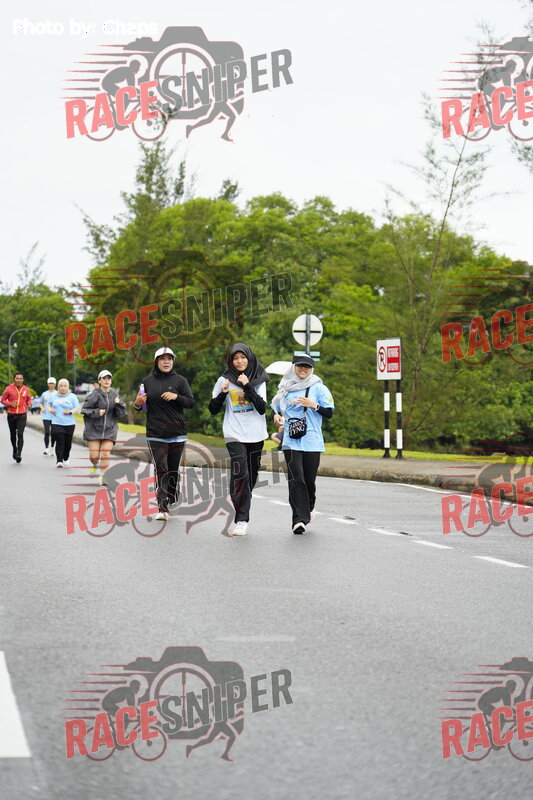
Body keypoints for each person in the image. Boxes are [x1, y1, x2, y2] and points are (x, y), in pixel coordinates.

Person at [208, 343, 269, 536]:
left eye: (243, 357)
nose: (239, 361)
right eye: (235, 358)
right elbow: (213, 409)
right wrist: (223, 393)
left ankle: (243, 497)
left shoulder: (259, 378)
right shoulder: (224, 379)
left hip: (256, 433)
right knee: (240, 472)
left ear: (249, 358)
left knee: (251, 474)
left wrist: (247, 385)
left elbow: (262, 408)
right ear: (230, 361)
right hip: (233, 433)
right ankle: (242, 519)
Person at [271, 356, 335, 534]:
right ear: (294, 367)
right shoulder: (286, 387)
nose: (303, 369)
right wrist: (275, 416)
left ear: (311, 369)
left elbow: (329, 413)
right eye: (300, 366)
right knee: (295, 479)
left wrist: (313, 405)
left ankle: (310, 506)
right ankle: (299, 520)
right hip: (290, 441)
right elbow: (275, 408)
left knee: (309, 481)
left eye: (307, 367)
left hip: (312, 441)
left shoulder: (319, 388)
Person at [133, 347, 195, 522]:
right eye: (162, 359)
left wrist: (177, 397)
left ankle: (172, 495)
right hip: (155, 433)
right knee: (161, 468)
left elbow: (190, 403)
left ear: (173, 361)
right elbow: (140, 405)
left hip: (177, 433)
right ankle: (162, 507)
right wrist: (137, 403)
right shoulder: (147, 381)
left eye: (169, 358)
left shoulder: (180, 381)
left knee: (173, 471)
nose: (166, 362)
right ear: (156, 361)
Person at [81, 369, 127, 485]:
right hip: (94, 429)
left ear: (111, 381)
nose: (107, 380)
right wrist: (97, 412)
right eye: (104, 378)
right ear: (99, 381)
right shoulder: (94, 394)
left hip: (110, 429)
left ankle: (103, 477)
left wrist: (118, 404)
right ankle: (95, 464)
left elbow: (122, 414)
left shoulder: (115, 395)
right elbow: (84, 410)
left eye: (109, 378)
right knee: (94, 456)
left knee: (106, 453)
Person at [1, 372, 32, 463]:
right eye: (17, 378)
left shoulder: (26, 389)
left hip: (22, 414)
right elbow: (3, 400)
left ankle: (19, 454)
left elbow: (28, 399)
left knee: (20, 434)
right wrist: (10, 404)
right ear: (14, 379)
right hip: (11, 414)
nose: (19, 380)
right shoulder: (8, 388)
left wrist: (29, 404)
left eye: (20, 378)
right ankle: (14, 449)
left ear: (23, 380)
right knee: (13, 434)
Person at [48, 379, 80, 467]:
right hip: (56, 423)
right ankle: (59, 460)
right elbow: (48, 404)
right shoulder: (53, 396)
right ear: (58, 387)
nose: (63, 388)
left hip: (69, 424)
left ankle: (66, 457)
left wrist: (70, 412)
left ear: (68, 387)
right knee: (60, 441)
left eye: (65, 386)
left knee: (67, 444)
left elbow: (77, 408)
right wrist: (50, 409)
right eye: (61, 386)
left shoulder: (72, 396)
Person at [38, 377, 58, 455]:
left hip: (55, 416)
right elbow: (40, 402)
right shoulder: (44, 394)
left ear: (55, 384)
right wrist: (42, 408)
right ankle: (46, 448)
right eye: (50, 383)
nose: (51, 385)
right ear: (47, 384)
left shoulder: (57, 393)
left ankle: (52, 448)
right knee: (47, 432)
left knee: (53, 433)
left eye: (52, 383)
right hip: (46, 416)